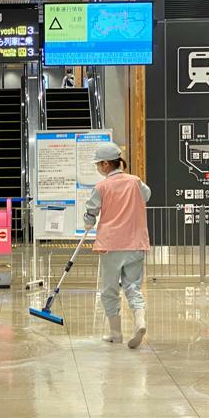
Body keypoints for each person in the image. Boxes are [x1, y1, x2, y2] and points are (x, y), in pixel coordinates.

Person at [83, 142, 151, 349]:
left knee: (110, 289)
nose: (97, 168)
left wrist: (88, 222)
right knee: (133, 286)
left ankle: (116, 333)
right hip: (136, 242)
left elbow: (91, 212)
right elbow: (146, 196)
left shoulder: (101, 187)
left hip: (111, 244)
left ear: (105, 164)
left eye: (98, 164)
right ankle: (140, 321)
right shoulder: (135, 181)